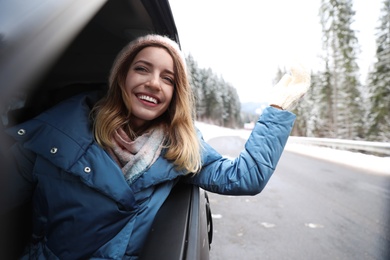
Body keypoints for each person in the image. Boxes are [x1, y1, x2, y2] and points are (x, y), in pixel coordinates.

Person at [3, 34, 310, 259]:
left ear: (176, 93)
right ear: (121, 77)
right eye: (142, 69)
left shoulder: (180, 150)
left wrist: (277, 109)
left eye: (168, 78)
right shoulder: (51, 135)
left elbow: (246, 177)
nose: (153, 83)